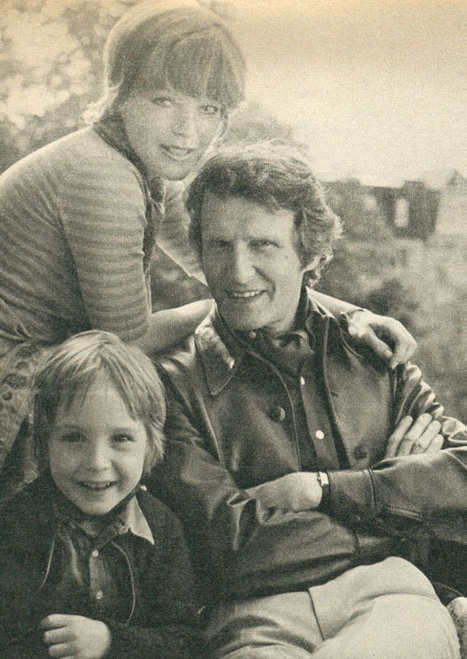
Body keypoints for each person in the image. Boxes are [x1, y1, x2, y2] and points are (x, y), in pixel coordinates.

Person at [0, 0, 416, 611]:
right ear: (119, 95)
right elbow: (126, 338)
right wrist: (219, 310)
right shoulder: (102, 177)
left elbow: (234, 270)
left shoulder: (138, 168)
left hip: (34, 363)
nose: (188, 131)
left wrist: (350, 315)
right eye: (164, 100)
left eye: (209, 109)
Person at [149, 141, 467, 658]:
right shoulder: (171, 384)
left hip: (390, 595)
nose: (237, 271)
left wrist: (322, 490)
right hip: (251, 614)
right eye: (219, 245)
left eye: (263, 246)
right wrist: (398, 512)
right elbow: (227, 549)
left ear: (310, 253)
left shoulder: (372, 352)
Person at [0, 330, 204, 658]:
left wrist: (110, 641)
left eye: (120, 439)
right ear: (45, 442)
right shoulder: (15, 525)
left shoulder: (163, 529)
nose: (96, 463)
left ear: (150, 445)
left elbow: (185, 642)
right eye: (73, 438)